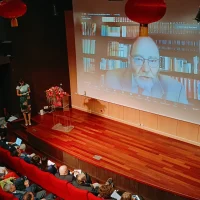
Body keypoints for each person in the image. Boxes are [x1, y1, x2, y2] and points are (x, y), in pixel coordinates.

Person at [105, 36, 188, 104]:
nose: (146, 69)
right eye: (139, 59)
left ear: (159, 63)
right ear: (129, 60)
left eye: (152, 61)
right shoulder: (111, 78)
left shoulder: (176, 89)